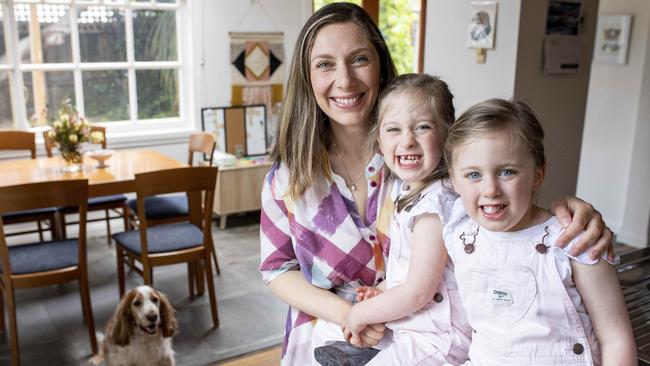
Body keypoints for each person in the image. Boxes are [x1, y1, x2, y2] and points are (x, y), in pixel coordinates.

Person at [259, 3, 612, 365]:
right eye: (324, 64)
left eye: (360, 59)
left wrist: (568, 212)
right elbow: (277, 269)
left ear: (381, 66)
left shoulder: (421, 159)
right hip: (332, 327)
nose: (345, 80)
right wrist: (349, 315)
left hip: (431, 333)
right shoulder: (287, 178)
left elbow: (501, 188)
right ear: (306, 76)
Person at [442, 98, 636, 365]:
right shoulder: (458, 230)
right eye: (473, 175)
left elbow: (616, 339)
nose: (490, 190)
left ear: (538, 174)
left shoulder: (576, 239)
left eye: (507, 172)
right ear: (453, 180)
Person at [341, 74, 471, 365]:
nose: (408, 140)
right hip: (415, 328)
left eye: (422, 127)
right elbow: (410, 273)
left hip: (439, 339)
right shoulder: (407, 190)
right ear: (379, 142)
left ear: (448, 136)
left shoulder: (436, 204)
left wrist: (358, 314)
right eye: (394, 130)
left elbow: (417, 292)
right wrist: (382, 291)